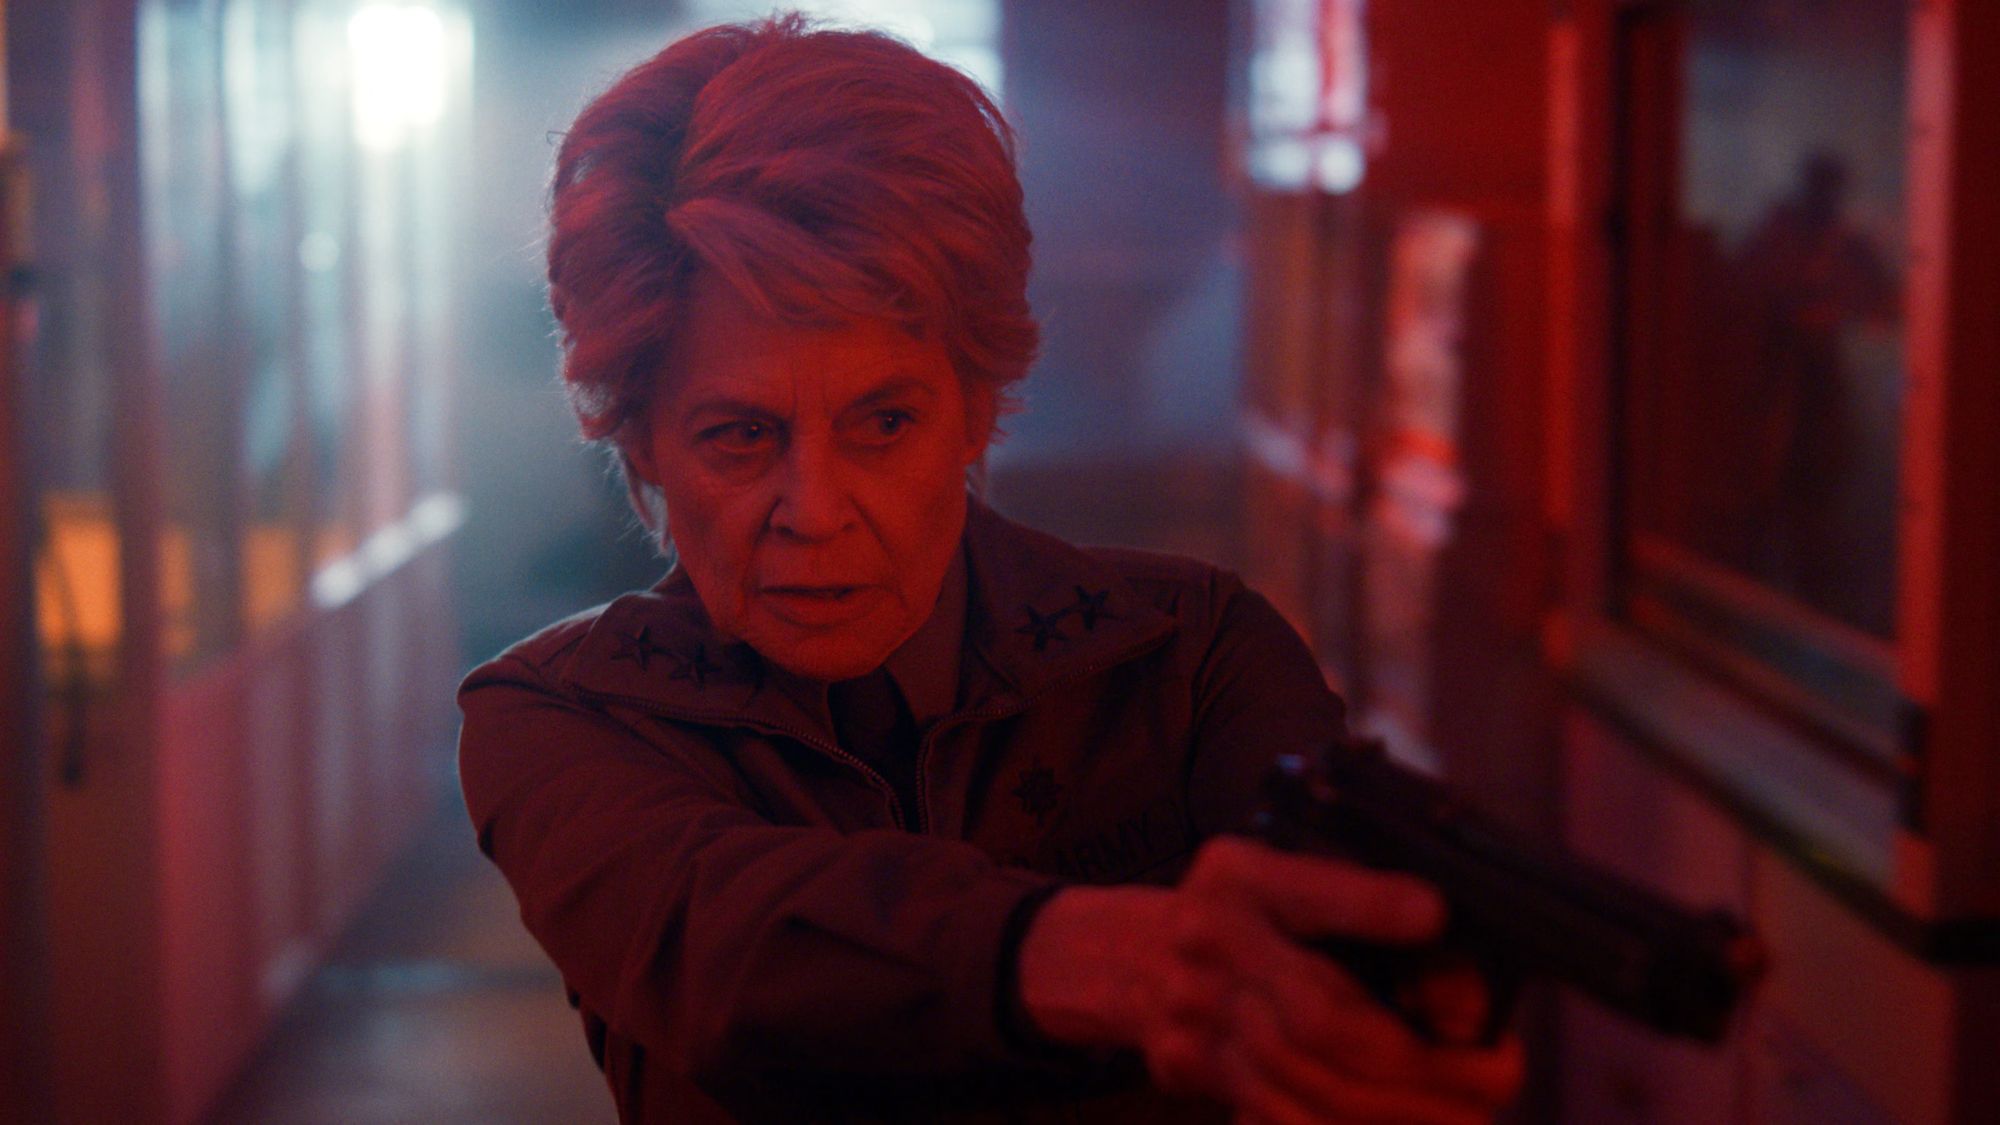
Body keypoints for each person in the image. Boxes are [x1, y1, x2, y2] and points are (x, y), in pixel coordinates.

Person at [458, 14, 1522, 1123]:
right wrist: (1092, 958)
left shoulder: (1192, 656)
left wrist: (1391, 1020)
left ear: (974, 410)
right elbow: (721, 945)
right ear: (643, 447)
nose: (814, 513)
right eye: (740, 436)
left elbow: (1345, 940)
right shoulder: (558, 716)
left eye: (883, 422)